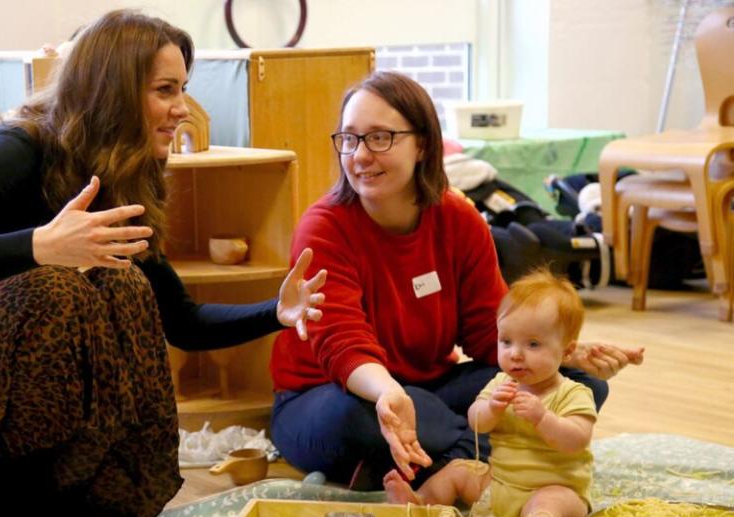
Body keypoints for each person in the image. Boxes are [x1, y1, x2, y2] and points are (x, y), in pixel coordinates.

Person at [0, 9, 326, 517]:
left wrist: (277, 312)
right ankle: (0, 496)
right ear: (115, 91)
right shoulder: (15, 148)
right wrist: (41, 246)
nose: (182, 109)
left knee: (122, 283)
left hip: (2, 359)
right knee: (57, 288)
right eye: (165, 90)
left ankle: (65, 491)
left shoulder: (120, 172)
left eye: (183, 89)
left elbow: (181, 320)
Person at [269, 71, 642, 491]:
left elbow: (489, 333)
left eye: (379, 138)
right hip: (332, 397)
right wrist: (391, 394)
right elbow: (343, 345)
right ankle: (481, 460)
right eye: (350, 139)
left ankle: (431, 464)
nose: (359, 155)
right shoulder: (324, 227)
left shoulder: (457, 218)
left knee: (576, 387)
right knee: (365, 415)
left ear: (423, 144)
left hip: (429, 390)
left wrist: (557, 354)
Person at [384, 269, 596, 517]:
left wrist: (543, 418)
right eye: (506, 341)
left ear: (567, 352)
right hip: (498, 485)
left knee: (548, 506)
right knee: (459, 470)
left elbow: (577, 439)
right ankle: (420, 504)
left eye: (533, 344)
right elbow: (476, 421)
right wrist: (491, 408)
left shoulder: (573, 392)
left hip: (556, 489)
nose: (515, 354)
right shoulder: (501, 383)